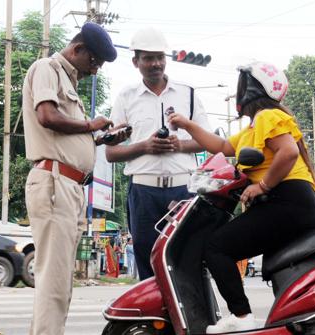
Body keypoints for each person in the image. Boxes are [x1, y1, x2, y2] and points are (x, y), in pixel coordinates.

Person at [168, 61, 315, 333]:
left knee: (216, 247)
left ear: (251, 89)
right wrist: (186, 123)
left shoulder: (267, 116)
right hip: (294, 204)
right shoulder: (255, 128)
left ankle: (241, 316)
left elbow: (287, 153)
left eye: (241, 85)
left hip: (287, 201)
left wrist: (262, 186)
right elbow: (220, 146)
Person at [22, 22, 130, 335]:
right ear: (77, 48)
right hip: (54, 183)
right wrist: (91, 125)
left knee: (59, 281)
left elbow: (64, 139)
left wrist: (101, 139)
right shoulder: (48, 68)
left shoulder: (67, 81)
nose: (94, 70)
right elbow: (47, 117)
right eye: (94, 61)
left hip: (68, 186)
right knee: (53, 283)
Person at [106, 27, 211, 280]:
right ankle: (155, 320)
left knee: (186, 258)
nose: (155, 64)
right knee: (147, 259)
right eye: (148, 58)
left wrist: (179, 145)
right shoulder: (126, 96)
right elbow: (111, 152)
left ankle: (186, 318)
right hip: (143, 191)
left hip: (183, 189)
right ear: (136, 62)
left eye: (159, 57)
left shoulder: (188, 93)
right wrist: (144, 147)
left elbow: (206, 140)